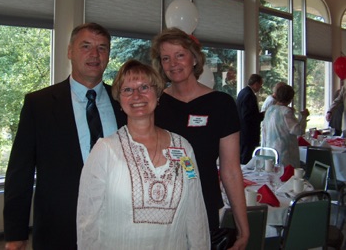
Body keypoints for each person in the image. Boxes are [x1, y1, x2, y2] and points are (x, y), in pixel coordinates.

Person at [3, 23, 126, 250]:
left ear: (108, 55)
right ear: (70, 51)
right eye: (85, 46)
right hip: (59, 228)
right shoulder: (38, 104)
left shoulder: (124, 102)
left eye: (102, 48)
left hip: (119, 224)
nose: (94, 54)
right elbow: (20, 172)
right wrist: (15, 232)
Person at [77, 59, 210, 249]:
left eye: (144, 87)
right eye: (128, 90)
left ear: (157, 95)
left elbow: (195, 210)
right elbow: (87, 221)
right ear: (120, 101)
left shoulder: (183, 148)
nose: (136, 95)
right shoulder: (105, 150)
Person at [151, 28, 249, 250]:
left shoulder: (221, 104)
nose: (173, 63)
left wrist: (243, 229)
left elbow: (231, 170)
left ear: (194, 58)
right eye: (166, 58)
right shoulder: (155, 104)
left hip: (203, 207)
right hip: (160, 208)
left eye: (180, 55)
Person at [262, 84, 309, 167]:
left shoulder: (269, 110)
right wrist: (304, 117)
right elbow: (298, 130)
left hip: (270, 151)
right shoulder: (286, 112)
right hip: (284, 153)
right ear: (290, 99)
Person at [236, 74, 265, 164]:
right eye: (260, 84)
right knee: (246, 159)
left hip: (242, 132)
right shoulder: (249, 95)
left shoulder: (242, 92)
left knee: (242, 157)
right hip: (248, 134)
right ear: (256, 83)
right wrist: (262, 115)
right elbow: (248, 116)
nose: (260, 87)